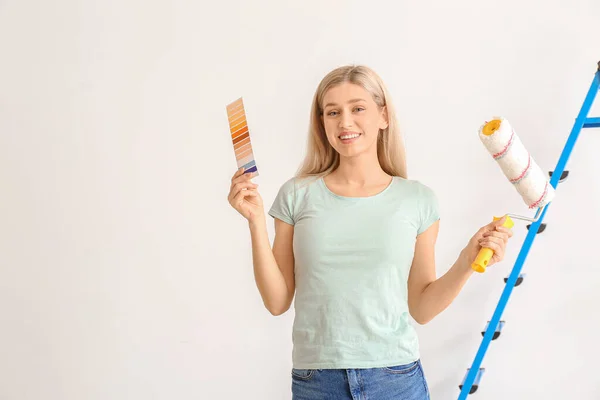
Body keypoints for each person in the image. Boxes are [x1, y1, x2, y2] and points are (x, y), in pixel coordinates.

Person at [227, 65, 513, 399]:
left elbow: (421, 308)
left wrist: (467, 259)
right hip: (317, 381)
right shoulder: (296, 195)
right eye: (332, 112)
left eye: (357, 108)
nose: (344, 122)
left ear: (384, 116)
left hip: (396, 379)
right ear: (322, 123)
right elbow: (277, 302)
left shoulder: (417, 200)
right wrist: (256, 222)